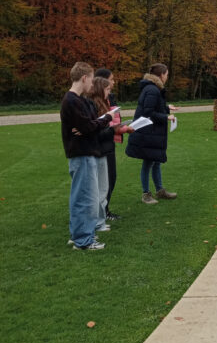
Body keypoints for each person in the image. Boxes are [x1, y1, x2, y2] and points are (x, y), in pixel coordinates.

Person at [60, 62, 115, 250]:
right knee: (85, 199)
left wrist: (90, 125)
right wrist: (106, 119)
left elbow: (89, 124)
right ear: (84, 78)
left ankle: (78, 235)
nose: (93, 83)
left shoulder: (81, 100)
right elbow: (88, 127)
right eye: (91, 78)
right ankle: (83, 240)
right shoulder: (71, 101)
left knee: (83, 197)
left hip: (86, 152)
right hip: (81, 154)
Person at [126, 63, 178, 204]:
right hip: (147, 133)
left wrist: (167, 108)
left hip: (152, 133)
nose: (167, 77)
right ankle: (146, 194)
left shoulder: (153, 89)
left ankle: (160, 190)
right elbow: (148, 112)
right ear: (161, 75)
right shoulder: (152, 90)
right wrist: (166, 117)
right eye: (167, 74)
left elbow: (154, 107)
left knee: (156, 161)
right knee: (148, 162)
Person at [94, 67, 126, 220]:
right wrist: (117, 129)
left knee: (110, 179)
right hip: (103, 145)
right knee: (104, 181)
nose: (113, 82)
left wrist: (121, 128)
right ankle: (101, 213)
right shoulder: (95, 102)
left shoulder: (108, 98)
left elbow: (113, 119)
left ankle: (104, 211)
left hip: (110, 142)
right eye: (111, 80)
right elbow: (100, 126)